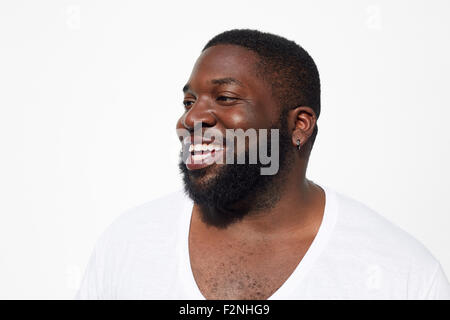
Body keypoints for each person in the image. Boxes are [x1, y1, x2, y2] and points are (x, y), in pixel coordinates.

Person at [76, 29, 450, 299]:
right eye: (189, 102)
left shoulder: (401, 273)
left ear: (299, 125)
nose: (190, 120)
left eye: (224, 97)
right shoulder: (128, 244)